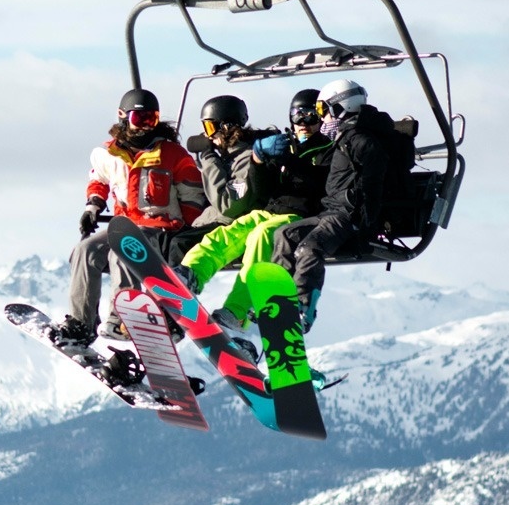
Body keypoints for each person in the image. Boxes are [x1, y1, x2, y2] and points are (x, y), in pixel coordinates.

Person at [172, 89, 334, 353]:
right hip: (270, 209)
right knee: (228, 234)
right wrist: (260, 160)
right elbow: (259, 187)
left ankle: (237, 312)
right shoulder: (286, 144)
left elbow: (320, 185)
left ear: (322, 117)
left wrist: (289, 161)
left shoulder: (328, 149)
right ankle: (190, 273)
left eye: (310, 117)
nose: (303, 123)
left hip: (301, 215)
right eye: (297, 116)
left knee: (262, 236)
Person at [60, 88, 206, 344]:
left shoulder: (172, 155)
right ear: (123, 117)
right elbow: (99, 180)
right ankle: (81, 323)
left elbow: (193, 197)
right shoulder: (109, 154)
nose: (145, 127)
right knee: (85, 250)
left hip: (160, 229)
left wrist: (183, 233)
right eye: (139, 119)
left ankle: (124, 318)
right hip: (124, 224)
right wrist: (93, 205)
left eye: (152, 119)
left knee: (123, 248)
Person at [272, 79, 397, 333]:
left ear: (339, 108)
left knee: (309, 248)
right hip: (331, 210)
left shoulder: (362, 140)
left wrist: (366, 221)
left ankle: (302, 306)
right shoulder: (346, 137)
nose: (322, 119)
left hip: (348, 216)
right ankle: (277, 298)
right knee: (284, 234)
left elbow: (374, 181)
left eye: (322, 111)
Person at [162, 94, 273, 267]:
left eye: (209, 127)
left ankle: (178, 290)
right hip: (213, 222)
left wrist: (208, 156)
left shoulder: (246, 159)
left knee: (180, 244)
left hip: (233, 225)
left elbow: (228, 205)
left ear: (226, 127)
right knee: (164, 241)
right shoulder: (228, 156)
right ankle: (155, 289)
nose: (207, 136)